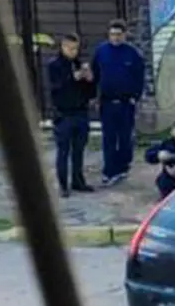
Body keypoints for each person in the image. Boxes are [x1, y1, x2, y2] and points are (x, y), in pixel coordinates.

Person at [91, 18, 145, 187]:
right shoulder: (101, 51)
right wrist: (95, 97)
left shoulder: (132, 54)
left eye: (118, 34)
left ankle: (122, 167)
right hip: (107, 102)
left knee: (124, 137)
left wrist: (134, 97)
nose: (115, 38)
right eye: (112, 34)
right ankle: (109, 171)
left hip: (125, 103)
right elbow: (94, 74)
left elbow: (139, 78)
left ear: (124, 35)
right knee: (108, 138)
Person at [47, 33, 96, 198]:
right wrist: (72, 78)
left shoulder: (80, 64)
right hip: (64, 114)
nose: (73, 51)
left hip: (81, 113)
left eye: (76, 48)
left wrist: (89, 80)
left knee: (79, 150)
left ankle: (78, 181)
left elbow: (90, 92)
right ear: (63, 47)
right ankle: (63, 185)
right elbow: (56, 88)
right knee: (63, 151)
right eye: (70, 48)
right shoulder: (54, 65)